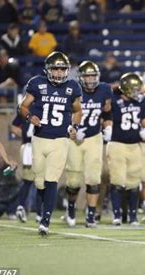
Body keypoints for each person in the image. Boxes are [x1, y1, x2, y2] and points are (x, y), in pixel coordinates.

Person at [18, 51, 82, 236]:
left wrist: (74, 126)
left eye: (63, 69)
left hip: (60, 140)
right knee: (39, 182)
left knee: (51, 178)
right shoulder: (37, 83)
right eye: (56, 69)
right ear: (48, 69)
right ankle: (41, 212)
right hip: (39, 138)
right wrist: (30, 117)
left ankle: (45, 220)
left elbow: (77, 110)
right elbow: (22, 106)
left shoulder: (72, 87)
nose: (59, 73)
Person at [64, 61, 112, 228]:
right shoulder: (73, 90)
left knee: (93, 177)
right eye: (87, 76)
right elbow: (64, 114)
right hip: (73, 139)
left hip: (93, 137)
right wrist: (73, 129)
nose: (91, 79)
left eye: (93, 75)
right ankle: (71, 208)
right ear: (80, 77)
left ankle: (90, 215)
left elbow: (108, 111)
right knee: (73, 180)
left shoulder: (104, 89)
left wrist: (108, 126)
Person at [107, 73, 145, 226]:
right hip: (118, 143)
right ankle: (117, 215)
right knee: (117, 181)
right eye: (134, 89)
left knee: (134, 183)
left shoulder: (140, 102)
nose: (138, 92)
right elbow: (105, 107)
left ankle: (133, 216)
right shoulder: (114, 101)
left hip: (135, 145)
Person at [10, 112, 36, 223]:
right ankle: (39, 212)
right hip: (36, 145)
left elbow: (12, 126)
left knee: (27, 181)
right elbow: (13, 126)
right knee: (41, 180)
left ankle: (21, 206)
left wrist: (24, 133)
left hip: (27, 147)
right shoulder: (41, 105)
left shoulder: (24, 109)